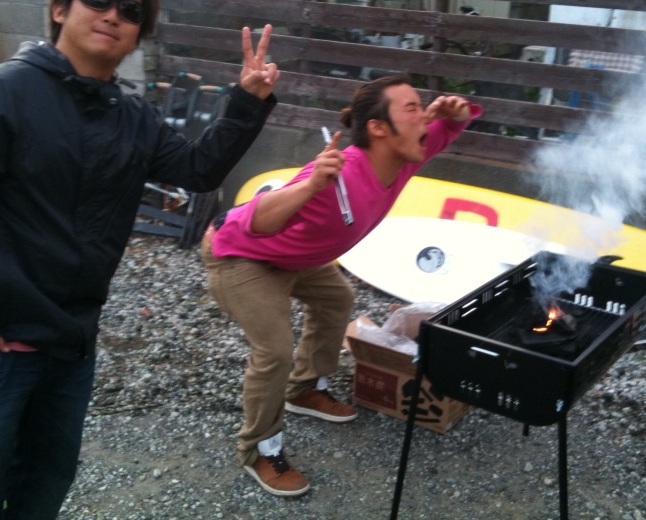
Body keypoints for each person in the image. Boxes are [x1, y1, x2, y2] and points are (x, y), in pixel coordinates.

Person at [0, 0, 279, 519]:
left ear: (138, 33)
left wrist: (247, 101)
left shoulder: (132, 116)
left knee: (45, 485)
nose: (112, 15)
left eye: (130, 10)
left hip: (72, 346)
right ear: (59, 9)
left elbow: (197, 169)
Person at [202, 74, 482, 497]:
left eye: (422, 106)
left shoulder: (403, 157)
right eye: (411, 107)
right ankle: (260, 449)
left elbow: (444, 131)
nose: (425, 116)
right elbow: (255, 222)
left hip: (295, 258)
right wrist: (311, 184)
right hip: (240, 255)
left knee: (337, 297)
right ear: (378, 128)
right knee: (274, 351)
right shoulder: (337, 174)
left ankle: (304, 390)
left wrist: (456, 115)